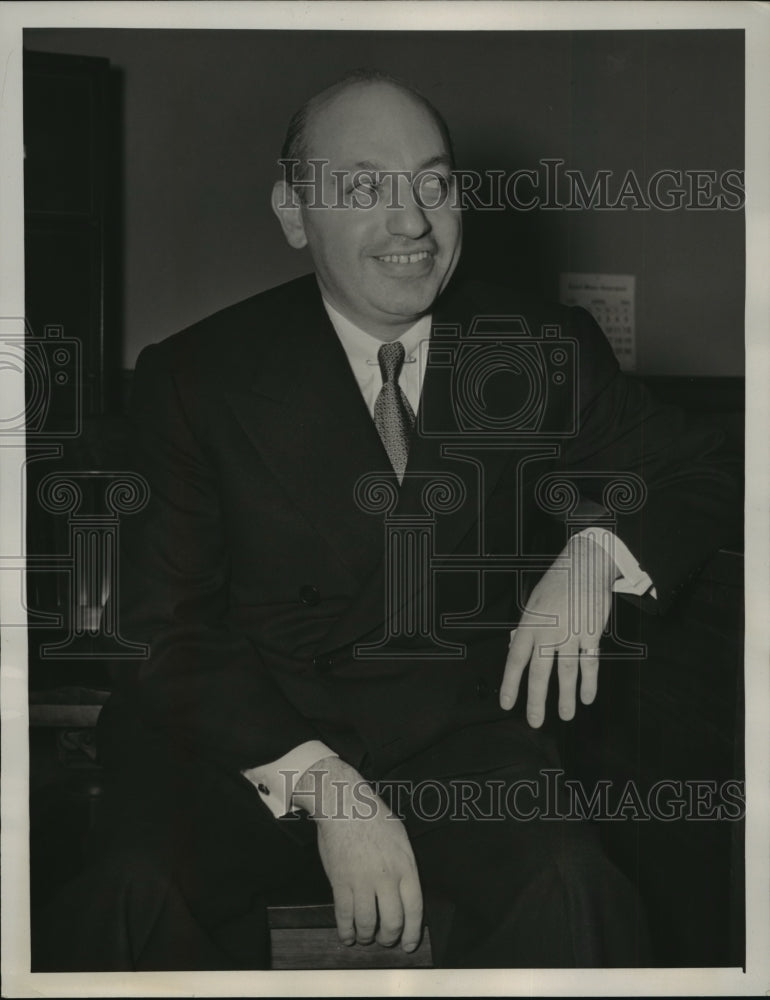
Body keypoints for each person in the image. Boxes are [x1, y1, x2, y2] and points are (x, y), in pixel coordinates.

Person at [33, 70, 739, 971]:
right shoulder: (193, 375)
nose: (412, 222)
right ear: (295, 214)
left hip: (455, 745)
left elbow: (706, 467)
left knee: (573, 889)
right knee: (127, 900)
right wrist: (329, 789)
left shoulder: (537, 348)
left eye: (434, 184)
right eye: (364, 188)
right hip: (230, 749)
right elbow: (155, 629)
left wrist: (599, 549)